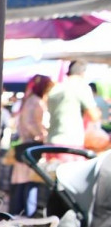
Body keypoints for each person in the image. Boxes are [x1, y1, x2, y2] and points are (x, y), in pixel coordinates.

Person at [8, 74, 52, 217]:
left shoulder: (28, 100)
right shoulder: (36, 101)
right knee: (29, 182)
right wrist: (42, 135)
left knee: (23, 182)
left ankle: (20, 213)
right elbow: (31, 123)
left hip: (25, 144)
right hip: (31, 146)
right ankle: (25, 213)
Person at [47, 60, 101, 147]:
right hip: (71, 142)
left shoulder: (55, 88)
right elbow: (94, 116)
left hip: (51, 141)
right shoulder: (81, 86)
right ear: (83, 73)